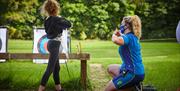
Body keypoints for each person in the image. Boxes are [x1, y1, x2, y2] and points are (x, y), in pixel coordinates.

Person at [105, 15, 145, 91]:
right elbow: (125, 39)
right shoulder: (132, 37)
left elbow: (116, 40)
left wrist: (114, 34)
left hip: (133, 73)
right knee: (110, 68)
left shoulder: (128, 37)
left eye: (122, 24)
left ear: (126, 26)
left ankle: (128, 85)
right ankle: (127, 86)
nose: (121, 26)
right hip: (135, 70)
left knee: (107, 89)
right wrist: (121, 35)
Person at [38, 0, 71, 91]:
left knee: (57, 68)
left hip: (50, 44)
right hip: (55, 45)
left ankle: (59, 88)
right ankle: (40, 89)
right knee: (50, 69)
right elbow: (69, 24)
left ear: (47, 9)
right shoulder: (57, 19)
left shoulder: (47, 20)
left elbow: (47, 31)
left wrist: (58, 22)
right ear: (56, 8)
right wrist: (60, 18)